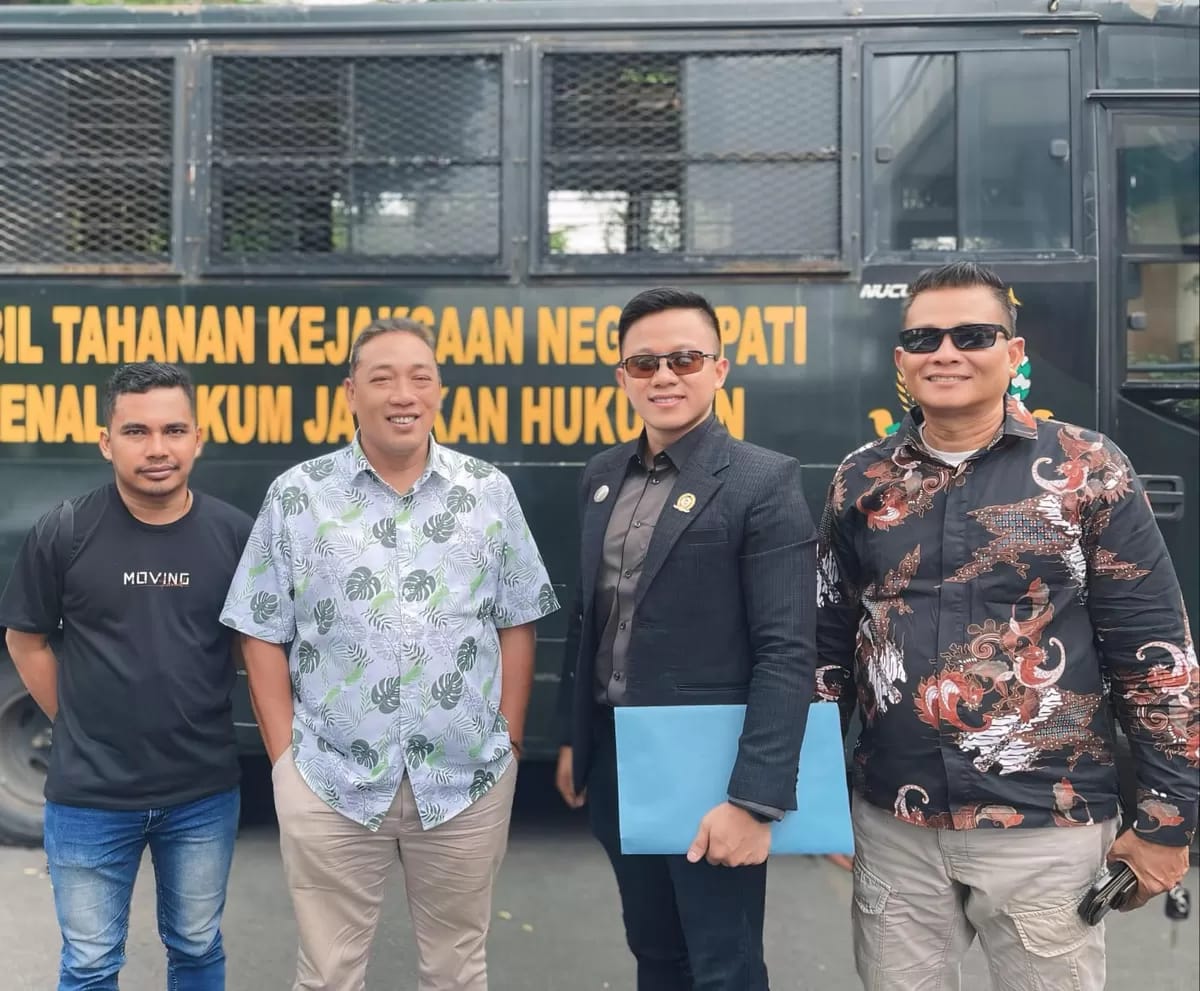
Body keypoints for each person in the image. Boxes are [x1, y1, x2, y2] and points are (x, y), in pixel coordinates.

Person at [816, 261, 1199, 991]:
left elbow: (1156, 655)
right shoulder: (861, 480)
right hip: (896, 823)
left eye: (972, 335)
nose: (946, 353)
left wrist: (1168, 816)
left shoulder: (1088, 468)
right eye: (924, 338)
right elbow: (825, 648)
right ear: (901, 358)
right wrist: (814, 800)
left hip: (1048, 823)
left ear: (1014, 352)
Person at [221, 317, 558, 991]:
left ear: (439, 390)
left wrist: (512, 743)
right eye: (382, 378)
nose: (403, 394)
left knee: (457, 972)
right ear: (351, 392)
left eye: (419, 377)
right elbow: (260, 629)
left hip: (467, 781)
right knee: (328, 976)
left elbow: (518, 619)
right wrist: (285, 762)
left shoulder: (486, 491)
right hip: (329, 780)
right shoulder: (298, 494)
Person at [555, 287, 817, 991]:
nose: (664, 376)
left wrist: (754, 799)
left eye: (685, 359)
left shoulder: (764, 480)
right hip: (618, 758)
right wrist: (574, 741)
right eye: (644, 363)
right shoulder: (601, 476)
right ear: (623, 377)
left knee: (724, 965)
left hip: (710, 772)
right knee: (655, 953)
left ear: (719, 369)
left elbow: (787, 650)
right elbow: (589, 615)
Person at [0, 362, 252, 991]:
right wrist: (76, 721)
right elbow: (25, 639)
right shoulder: (64, 531)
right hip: (89, 797)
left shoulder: (235, 536)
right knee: (89, 963)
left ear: (198, 439)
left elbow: (251, 649)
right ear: (106, 442)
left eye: (174, 430)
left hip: (202, 793)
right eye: (136, 431)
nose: (157, 448)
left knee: (197, 946)